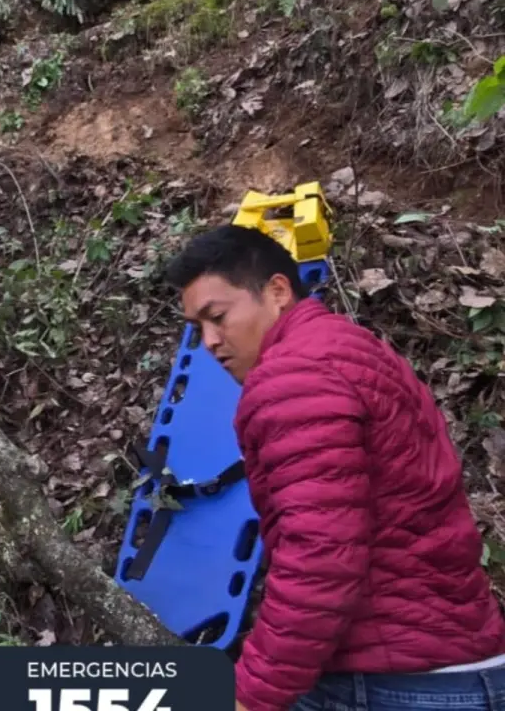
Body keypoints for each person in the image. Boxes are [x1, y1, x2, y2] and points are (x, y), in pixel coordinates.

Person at [163, 223, 505, 711]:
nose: (210, 342)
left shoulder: (294, 375)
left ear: (277, 290)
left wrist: (252, 696)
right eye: (198, 329)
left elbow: (320, 554)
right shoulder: (348, 348)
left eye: (217, 317)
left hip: (395, 684)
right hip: (448, 662)